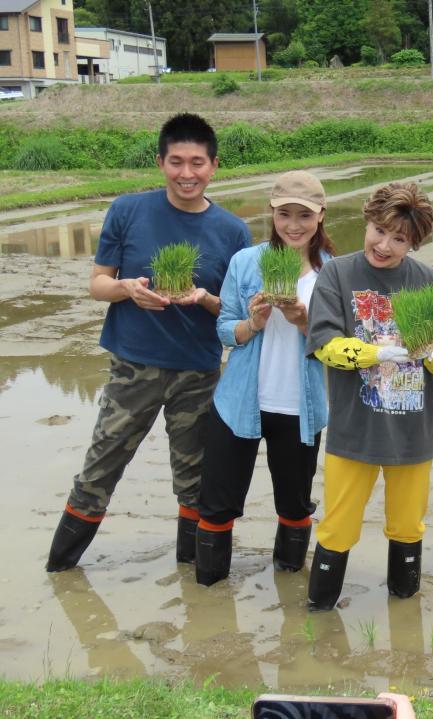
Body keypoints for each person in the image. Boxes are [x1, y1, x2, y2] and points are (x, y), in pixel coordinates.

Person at [45, 113, 252, 573]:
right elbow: (98, 283)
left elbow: (235, 314)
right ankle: (59, 569)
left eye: (196, 162)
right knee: (100, 468)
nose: (186, 173)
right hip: (133, 369)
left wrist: (204, 298)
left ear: (213, 166)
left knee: (195, 479)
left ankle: (192, 575)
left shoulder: (233, 231)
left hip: (198, 373)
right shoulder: (128, 210)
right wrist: (127, 290)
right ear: (160, 162)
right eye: (176, 161)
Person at [304, 181, 433, 610]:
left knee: (408, 526)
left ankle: (404, 607)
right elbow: (324, 346)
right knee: (337, 526)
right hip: (354, 429)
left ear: (414, 242)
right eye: (379, 230)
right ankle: (318, 613)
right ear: (367, 222)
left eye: (400, 239)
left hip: (412, 430)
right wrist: (379, 352)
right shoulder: (337, 274)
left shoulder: (429, 281)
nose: (385, 245)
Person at [194, 171, 334, 586]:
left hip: (299, 409)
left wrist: (303, 320)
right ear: (272, 213)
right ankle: (209, 594)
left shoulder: (333, 273)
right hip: (238, 403)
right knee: (217, 505)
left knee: (294, 506)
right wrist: (253, 323)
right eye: (284, 214)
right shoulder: (246, 262)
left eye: (304, 215)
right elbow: (226, 330)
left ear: (321, 216)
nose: (294, 225)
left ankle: (289, 591)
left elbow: (340, 344)